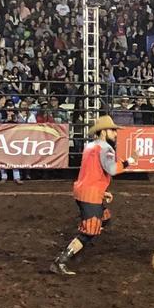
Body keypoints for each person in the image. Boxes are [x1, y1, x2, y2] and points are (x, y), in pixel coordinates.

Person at [50, 116, 139, 275]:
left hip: (83, 191)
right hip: (90, 195)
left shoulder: (90, 146)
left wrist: (101, 191)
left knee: (105, 218)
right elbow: (112, 169)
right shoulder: (105, 148)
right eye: (113, 130)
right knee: (89, 232)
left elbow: (91, 172)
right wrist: (129, 161)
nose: (115, 133)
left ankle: (82, 244)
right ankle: (62, 260)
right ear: (103, 131)